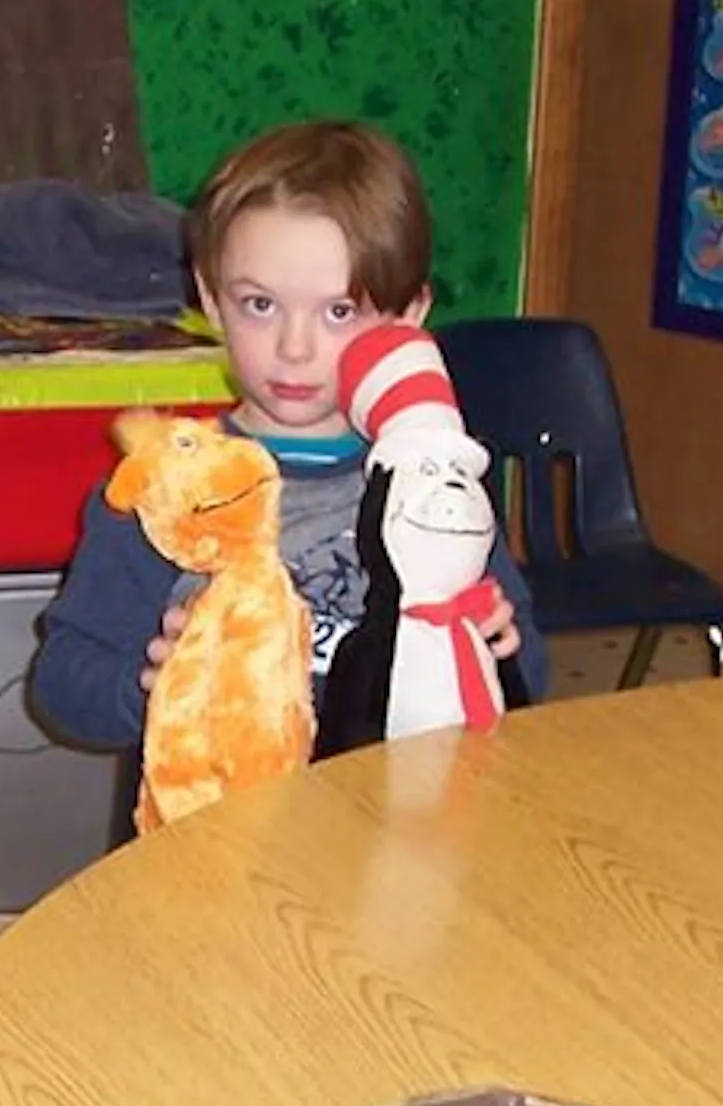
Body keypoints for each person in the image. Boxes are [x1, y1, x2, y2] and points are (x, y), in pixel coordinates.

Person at [29, 118, 547, 759]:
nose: (294, 349)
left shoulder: (434, 481)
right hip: (217, 813)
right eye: (260, 305)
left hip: (389, 807)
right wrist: (148, 685)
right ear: (211, 298)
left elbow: (529, 665)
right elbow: (61, 684)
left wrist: (498, 649)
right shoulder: (164, 488)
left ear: (409, 318)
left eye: (339, 311)